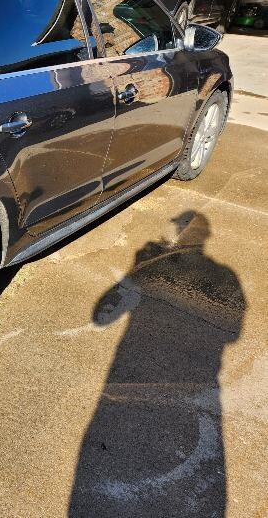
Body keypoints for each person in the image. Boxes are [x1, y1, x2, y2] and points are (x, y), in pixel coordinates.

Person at [69, 211, 245, 517]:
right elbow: (235, 334)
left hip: (142, 361)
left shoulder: (223, 275)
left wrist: (135, 271)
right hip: (202, 373)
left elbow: (101, 317)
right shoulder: (228, 275)